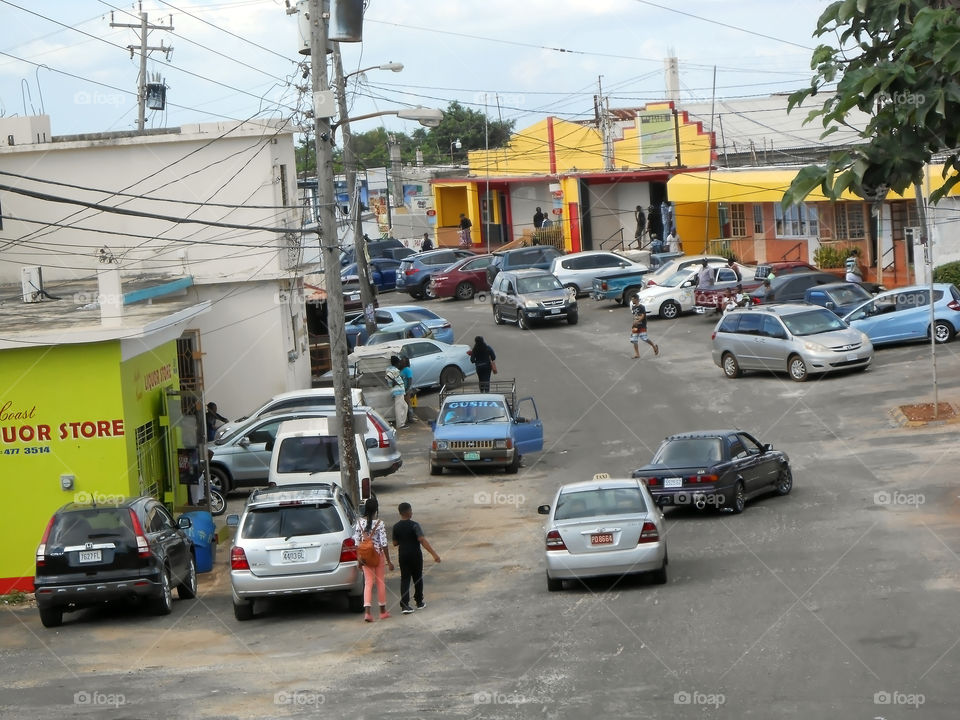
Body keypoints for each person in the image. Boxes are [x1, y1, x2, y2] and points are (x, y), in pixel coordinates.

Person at [392, 502, 441, 614]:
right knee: (417, 577)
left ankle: (405, 605)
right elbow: (422, 540)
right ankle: (419, 602)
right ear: (408, 512)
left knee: (405, 579)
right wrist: (434, 554)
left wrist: (403, 540)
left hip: (403, 555)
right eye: (411, 510)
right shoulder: (415, 525)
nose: (412, 512)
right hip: (415, 554)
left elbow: (394, 543)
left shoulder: (396, 527)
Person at [354, 497, 394, 622]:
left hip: (365, 557)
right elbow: (384, 544)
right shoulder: (380, 524)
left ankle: (367, 613)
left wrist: (359, 559)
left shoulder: (359, 523)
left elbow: (356, 543)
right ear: (376, 509)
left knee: (368, 583)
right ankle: (382, 612)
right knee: (380, 582)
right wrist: (389, 561)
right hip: (378, 556)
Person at [386, 355, 408, 429]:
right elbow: (388, 376)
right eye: (399, 362)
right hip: (398, 391)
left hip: (399, 390)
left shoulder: (390, 369)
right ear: (397, 363)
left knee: (405, 406)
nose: (400, 364)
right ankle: (400, 424)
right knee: (399, 408)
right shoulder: (393, 369)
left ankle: (402, 422)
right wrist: (394, 381)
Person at [400, 356, 415, 423]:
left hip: (406, 389)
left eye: (403, 361)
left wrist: (407, 389)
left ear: (406, 362)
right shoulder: (402, 369)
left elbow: (410, 380)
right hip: (402, 389)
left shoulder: (407, 370)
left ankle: (410, 418)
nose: (401, 362)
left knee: (408, 404)